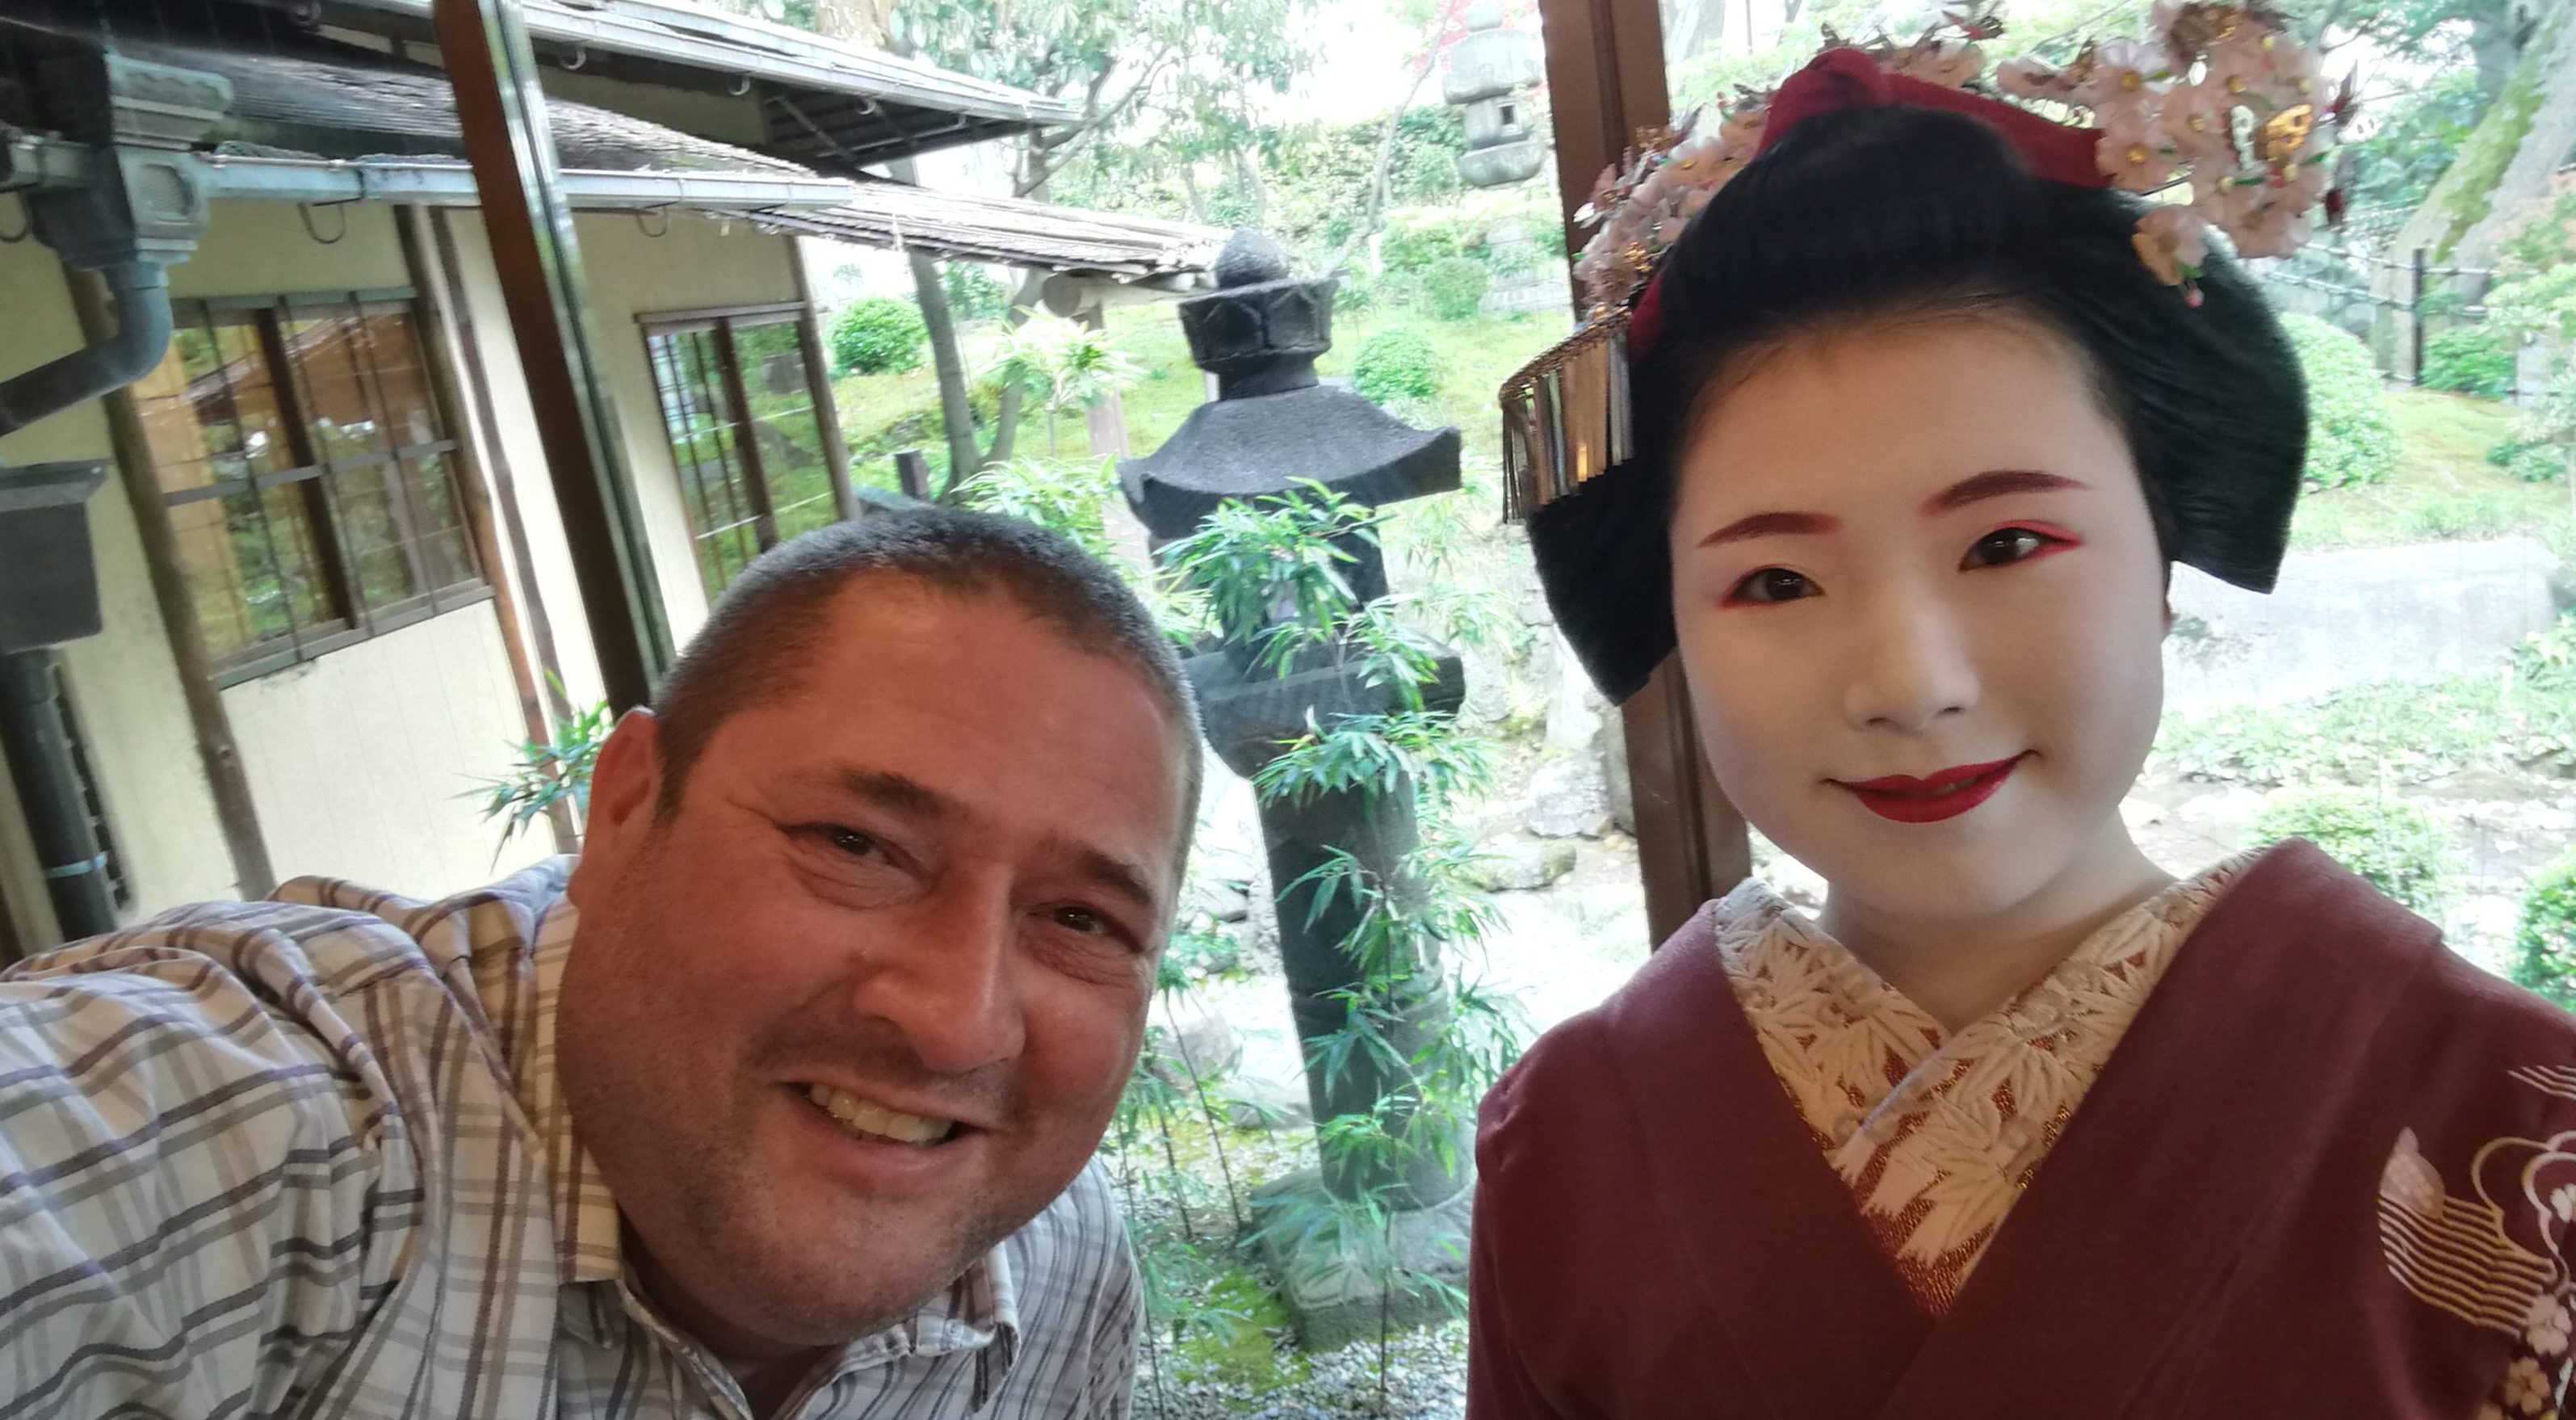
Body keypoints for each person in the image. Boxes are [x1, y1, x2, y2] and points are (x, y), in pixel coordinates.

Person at [1469, 23, 2576, 1419]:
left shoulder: (2520, 1123)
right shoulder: (1569, 1140)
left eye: (2003, 546)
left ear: (2162, 561)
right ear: (1673, 625)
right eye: (1772, 579)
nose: (1908, 680)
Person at [0, 507, 1202, 1419]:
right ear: (622, 811)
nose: (955, 1022)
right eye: (855, 844)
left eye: (1082, 920)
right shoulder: (294, 1131)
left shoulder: (1054, 1274)